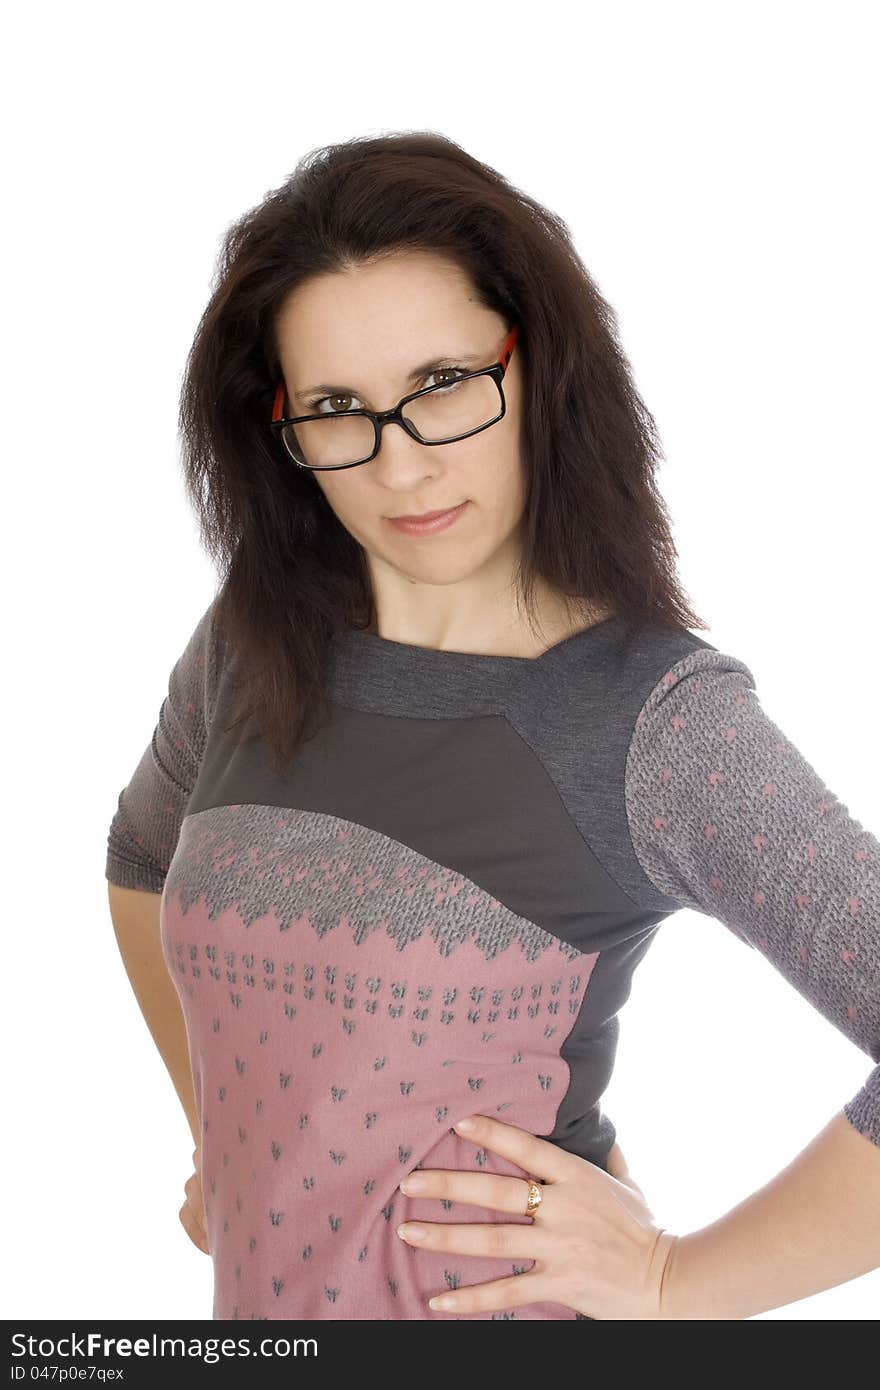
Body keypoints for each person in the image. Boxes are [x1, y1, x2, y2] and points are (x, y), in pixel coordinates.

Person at [105, 131, 880, 1322]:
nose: (400, 467)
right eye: (334, 408)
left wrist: (677, 1279)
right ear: (280, 430)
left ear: (538, 368)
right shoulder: (250, 646)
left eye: (441, 386)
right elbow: (142, 866)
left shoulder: (651, 725)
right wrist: (229, 1136)